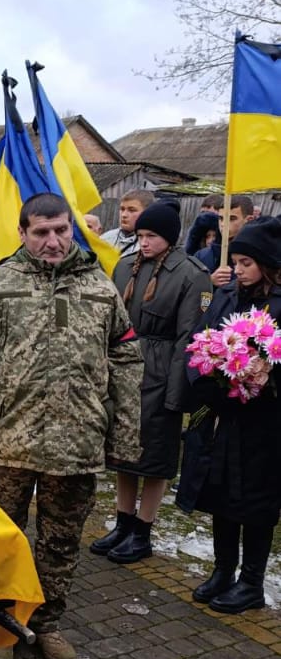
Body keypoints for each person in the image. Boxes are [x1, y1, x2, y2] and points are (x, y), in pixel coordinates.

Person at [0, 193, 143, 659]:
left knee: (60, 542)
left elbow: (125, 359)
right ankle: (3, 626)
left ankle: (47, 622)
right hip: (10, 442)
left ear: (71, 230)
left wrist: (123, 433)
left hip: (77, 443)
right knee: (4, 539)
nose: (53, 241)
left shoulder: (99, 287)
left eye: (61, 230)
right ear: (22, 233)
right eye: (41, 232)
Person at [92, 203, 211, 563]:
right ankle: (123, 522)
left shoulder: (191, 274)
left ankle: (143, 530)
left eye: (151, 236)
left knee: (155, 457)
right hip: (124, 369)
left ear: (170, 238)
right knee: (124, 452)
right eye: (141, 236)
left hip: (161, 373)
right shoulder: (126, 265)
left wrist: (177, 394)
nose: (143, 242)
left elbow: (189, 337)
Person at [177, 216, 281, 613]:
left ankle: (250, 582)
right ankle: (223, 570)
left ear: (268, 263)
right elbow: (201, 340)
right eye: (235, 262)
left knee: (256, 502)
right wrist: (210, 380)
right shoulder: (226, 296)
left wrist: (261, 377)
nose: (237, 270)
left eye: (246, 263)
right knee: (221, 495)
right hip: (224, 416)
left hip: (264, 423)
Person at [197, 195, 256, 282]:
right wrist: (209, 282)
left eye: (231, 219)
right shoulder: (202, 256)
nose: (223, 224)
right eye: (221, 218)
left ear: (249, 220)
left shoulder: (259, 256)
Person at [102, 189, 155, 257]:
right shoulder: (106, 238)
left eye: (132, 210)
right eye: (122, 209)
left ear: (148, 213)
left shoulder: (153, 244)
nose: (124, 215)